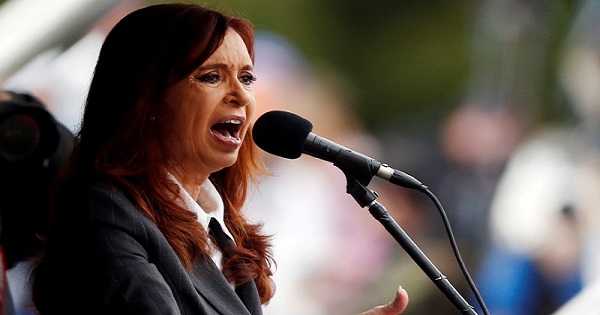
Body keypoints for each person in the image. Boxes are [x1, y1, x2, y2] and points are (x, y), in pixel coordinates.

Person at [28, 3, 408, 315]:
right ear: (146, 99)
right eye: (211, 77)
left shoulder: (215, 220)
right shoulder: (104, 214)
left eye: (246, 78)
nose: (241, 97)